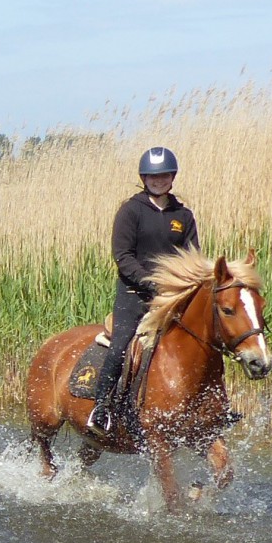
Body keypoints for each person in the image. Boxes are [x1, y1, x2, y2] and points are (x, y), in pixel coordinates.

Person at [89, 146, 199, 434]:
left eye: (164, 176)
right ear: (144, 178)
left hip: (172, 298)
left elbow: (192, 256)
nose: (158, 181)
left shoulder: (183, 215)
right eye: (153, 176)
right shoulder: (131, 211)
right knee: (121, 346)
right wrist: (150, 283)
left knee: (202, 341)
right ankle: (102, 408)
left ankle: (209, 407)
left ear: (172, 177)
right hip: (133, 296)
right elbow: (123, 256)